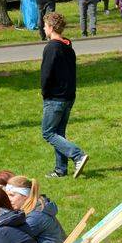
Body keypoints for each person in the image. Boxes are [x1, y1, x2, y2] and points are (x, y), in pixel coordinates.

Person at [40, 12, 89, 178]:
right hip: (68, 96)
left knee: (48, 132)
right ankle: (60, 169)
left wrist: (45, 92)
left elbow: (46, 74)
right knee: (59, 133)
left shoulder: (51, 47)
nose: (43, 28)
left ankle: (78, 155)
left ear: (51, 27)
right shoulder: (67, 46)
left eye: (45, 26)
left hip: (55, 98)